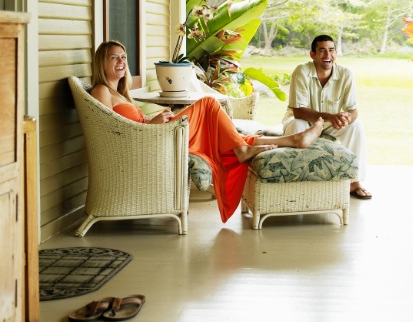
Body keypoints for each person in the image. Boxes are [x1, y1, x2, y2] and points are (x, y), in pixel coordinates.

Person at [90, 40, 325, 223]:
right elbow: (113, 132)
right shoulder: (101, 90)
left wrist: (155, 119)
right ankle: (263, 145)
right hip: (152, 140)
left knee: (224, 136)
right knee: (209, 104)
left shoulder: (118, 92)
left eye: (123, 57)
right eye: (114, 58)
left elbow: (128, 124)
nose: (121, 61)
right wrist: (154, 124)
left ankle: (291, 139)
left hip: (156, 135)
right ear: (102, 62)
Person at [283, 34, 372, 199]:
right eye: (322, 50)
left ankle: (355, 182)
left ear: (336, 53)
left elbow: (353, 110)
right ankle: (298, 180)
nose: (327, 55)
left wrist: (344, 118)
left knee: (356, 126)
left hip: (330, 125)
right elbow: (299, 111)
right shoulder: (302, 71)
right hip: (302, 122)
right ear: (313, 54)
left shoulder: (346, 73)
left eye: (331, 50)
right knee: (297, 125)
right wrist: (330, 117)